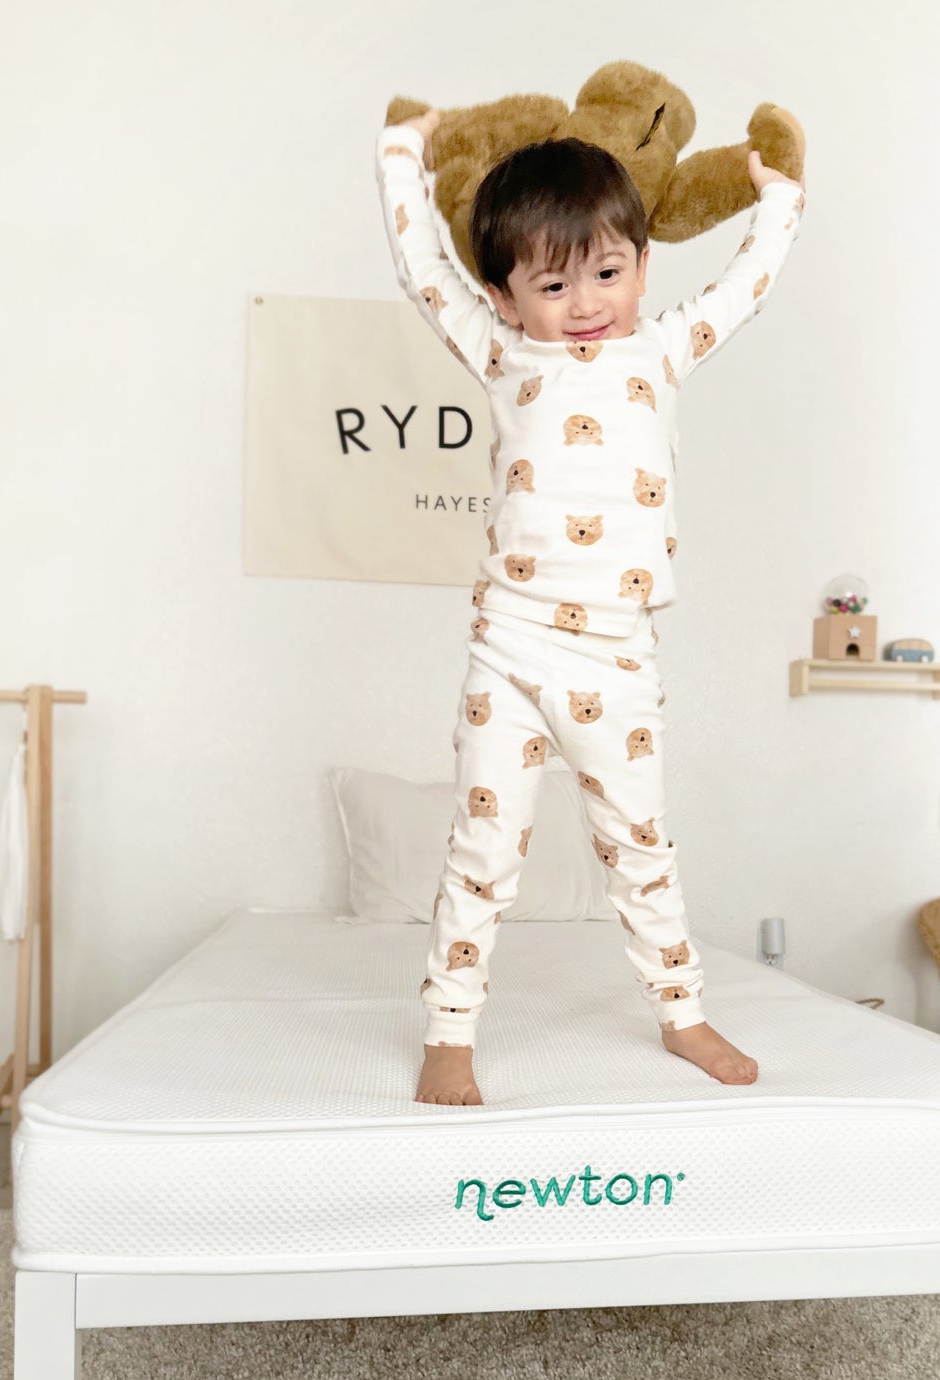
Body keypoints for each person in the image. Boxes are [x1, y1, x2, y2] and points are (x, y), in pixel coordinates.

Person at [376, 109, 805, 1105]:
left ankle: (682, 1011)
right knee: (481, 846)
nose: (583, 303)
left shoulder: (658, 350)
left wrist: (776, 200)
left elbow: (744, 286)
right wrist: (403, 157)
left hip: (616, 659)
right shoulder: (499, 354)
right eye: (551, 282)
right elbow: (420, 268)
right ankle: (450, 1027)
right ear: (505, 295)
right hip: (510, 651)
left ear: (642, 268)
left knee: (639, 844)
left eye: (605, 273)